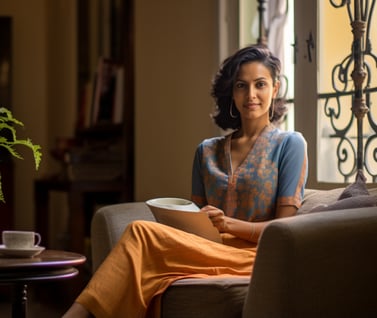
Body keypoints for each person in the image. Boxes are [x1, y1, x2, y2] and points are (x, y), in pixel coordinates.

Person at [63, 44, 308, 318]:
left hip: (255, 257)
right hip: (203, 249)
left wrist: (229, 224)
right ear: (232, 92)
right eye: (241, 85)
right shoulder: (206, 151)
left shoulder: (290, 144)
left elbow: (284, 229)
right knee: (143, 245)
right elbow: (193, 223)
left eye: (260, 84)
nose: (250, 94)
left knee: (140, 233)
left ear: (274, 89)